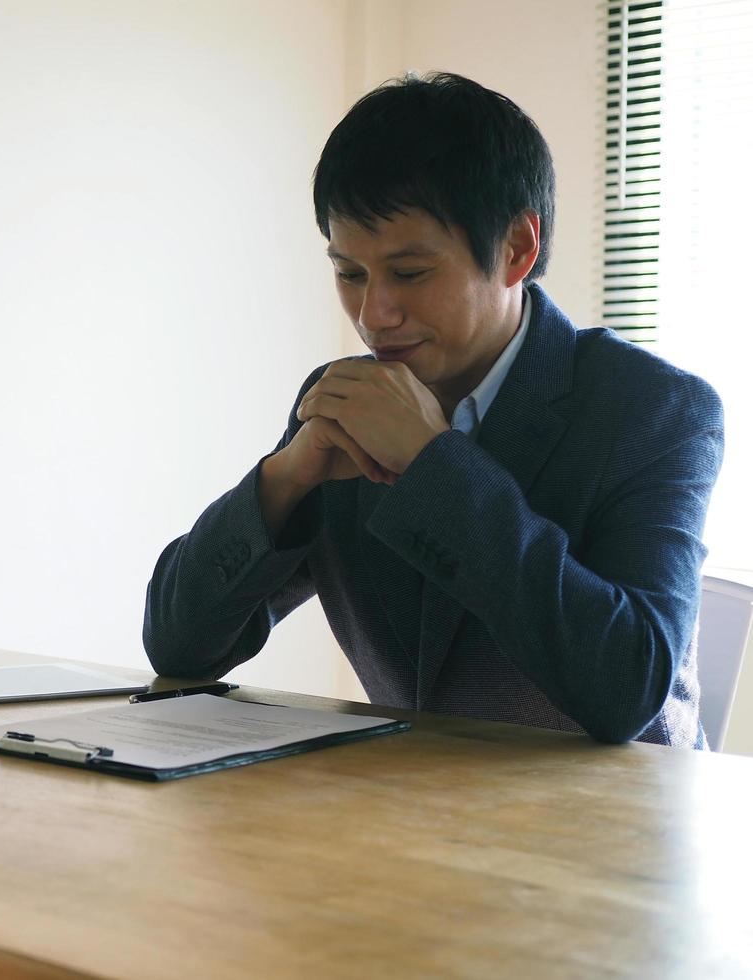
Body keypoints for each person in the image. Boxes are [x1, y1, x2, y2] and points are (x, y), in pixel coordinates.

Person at [143, 72, 723, 748]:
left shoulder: (657, 410)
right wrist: (284, 479)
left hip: (618, 831)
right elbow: (179, 651)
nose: (373, 314)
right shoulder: (346, 403)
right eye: (349, 274)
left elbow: (626, 687)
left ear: (517, 249)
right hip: (415, 820)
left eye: (410, 274)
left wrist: (433, 464)